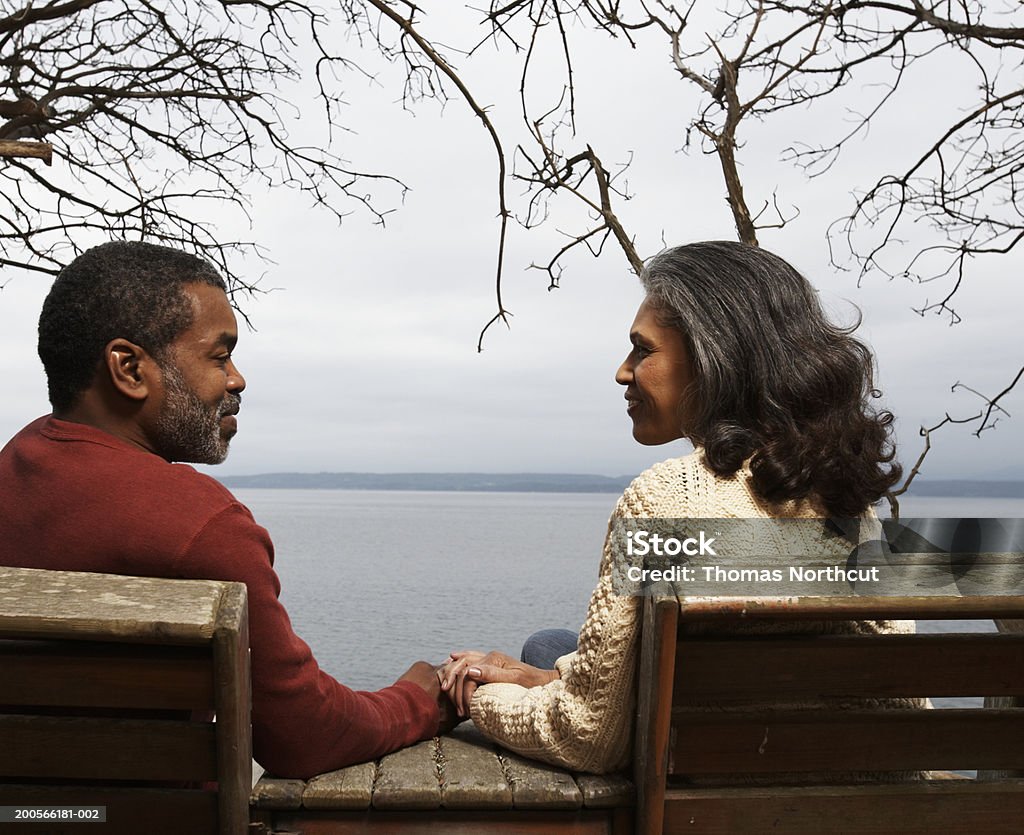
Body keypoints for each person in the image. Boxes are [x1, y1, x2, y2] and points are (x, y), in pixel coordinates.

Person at [440, 240, 918, 775]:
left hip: (718, 794)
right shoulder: (842, 495)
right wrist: (551, 678)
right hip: (851, 777)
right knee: (550, 647)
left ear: (712, 356)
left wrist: (470, 701)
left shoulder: (665, 499)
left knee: (545, 653)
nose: (623, 372)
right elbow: (901, 696)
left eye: (643, 350)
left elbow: (589, 738)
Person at [0, 240, 451, 779]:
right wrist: (420, 699)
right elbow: (306, 736)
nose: (236, 379)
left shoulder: (12, 470)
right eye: (219, 356)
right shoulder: (197, 523)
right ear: (129, 369)